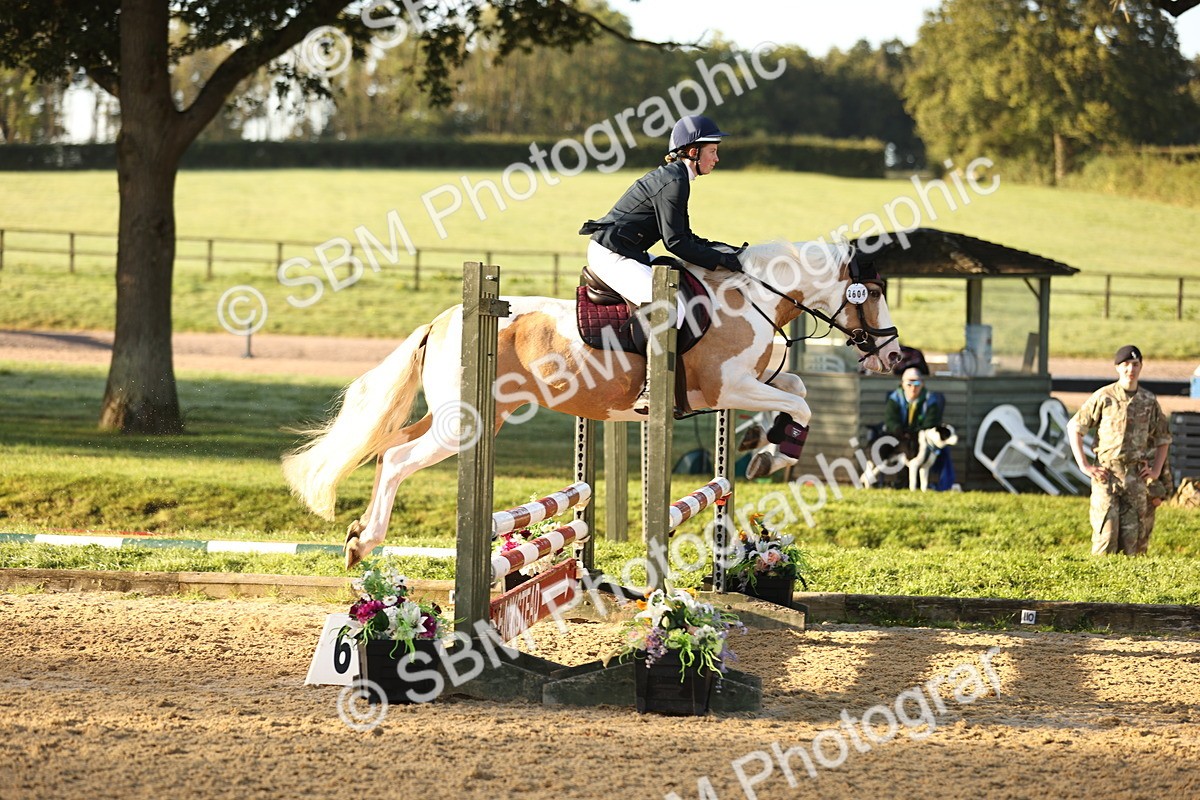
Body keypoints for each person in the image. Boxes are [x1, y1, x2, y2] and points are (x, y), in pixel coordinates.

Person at [579, 114, 745, 412]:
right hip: (612, 255)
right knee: (671, 307)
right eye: (713, 151)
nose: (717, 158)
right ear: (693, 151)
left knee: (686, 274)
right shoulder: (675, 182)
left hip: (630, 252)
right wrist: (722, 261)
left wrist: (725, 252)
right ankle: (651, 389)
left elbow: (684, 236)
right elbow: (677, 243)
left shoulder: (677, 177)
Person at [1068, 344, 1171, 556]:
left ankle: (1128, 586)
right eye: (1125, 365)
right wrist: (1085, 466)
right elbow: (1075, 427)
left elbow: (1163, 438)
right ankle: (1101, 586)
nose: (1130, 370)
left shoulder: (1148, 401)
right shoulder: (1104, 397)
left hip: (1135, 477)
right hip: (1107, 475)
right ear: (1117, 368)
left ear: (1141, 367)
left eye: (1135, 364)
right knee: (1105, 536)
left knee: (1132, 542)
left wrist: (1156, 471)